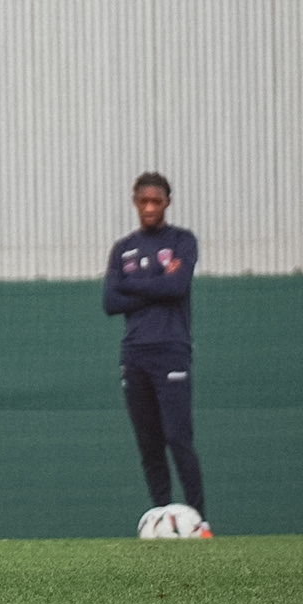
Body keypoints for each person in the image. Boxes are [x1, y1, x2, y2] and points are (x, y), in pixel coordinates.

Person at [102, 172, 210, 536]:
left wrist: (134, 284)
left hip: (171, 350)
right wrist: (157, 283)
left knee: (178, 437)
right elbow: (110, 300)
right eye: (143, 201)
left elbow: (178, 286)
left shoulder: (182, 241)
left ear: (167, 202)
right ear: (135, 202)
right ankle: (162, 517)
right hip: (135, 353)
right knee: (149, 443)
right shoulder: (123, 248)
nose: (149, 207)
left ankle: (198, 520)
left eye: (156, 201)